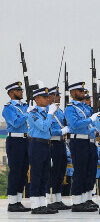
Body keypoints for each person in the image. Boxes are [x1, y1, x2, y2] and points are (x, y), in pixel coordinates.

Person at [28, 87, 65, 214]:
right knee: (37, 174)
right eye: (44, 97)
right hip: (37, 144)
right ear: (37, 99)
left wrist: (49, 114)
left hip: (47, 145)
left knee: (45, 175)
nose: (47, 99)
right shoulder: (33, 113)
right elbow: (44, 127)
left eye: (48, 97)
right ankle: (35, 205)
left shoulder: (46, 113)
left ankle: (42, 204)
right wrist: (50, 114)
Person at [64, 82, 98, 212]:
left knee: (89, 171)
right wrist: (90, 120)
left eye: (83, 90)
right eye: (79, 90)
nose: (83, 92)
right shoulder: (70, 108)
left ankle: (86, 199)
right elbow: (75, 124)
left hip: (89, 141)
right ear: (72, 93)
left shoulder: (86, 107)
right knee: (80, 171)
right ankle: (77, 202)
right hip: (78, 142)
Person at [4, 82, 31, 212]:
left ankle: (18, 200)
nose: (21, 92)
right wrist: (27, 114)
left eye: (21, 90)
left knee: (23, 171)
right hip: (14, 140)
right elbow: (15, 123)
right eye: (18, 90)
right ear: (11, 93)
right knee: (15, 171)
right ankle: (12, 202)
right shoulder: (8, 108)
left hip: (26, 140)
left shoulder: (25, 106)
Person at [47, 87, 71, 210]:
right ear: (49, 96)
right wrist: (61, 131)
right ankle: (50, 199)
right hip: (52, 144)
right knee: (53, 172)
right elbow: (48, 129)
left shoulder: (60, 111)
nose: (59, 97)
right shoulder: (47, 110)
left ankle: (58, 198)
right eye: (56, 95)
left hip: (61, 143)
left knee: (61, 171)